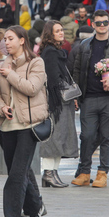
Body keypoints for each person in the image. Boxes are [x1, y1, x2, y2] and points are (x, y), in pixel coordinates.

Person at [0, 26, 46, 217]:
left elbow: (32, 88)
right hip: (7, 126)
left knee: (16, 174)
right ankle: (35, 209)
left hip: (28, 125)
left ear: (22, 40)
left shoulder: (36, 62)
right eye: (5, 39)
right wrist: (1, 108)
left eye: (10, 38)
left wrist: (11, 75)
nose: (6, 42)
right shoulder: (2, 65)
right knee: (19, 172)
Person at [71, 10, 109, 188]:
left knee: (106, 136)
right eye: (98, 23)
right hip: (88, 97)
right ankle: (84, 172)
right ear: (93, 24)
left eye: (105, 22)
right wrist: (76, 95)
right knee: (87, 136)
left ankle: (102, 173)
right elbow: (77, 71)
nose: (102, 26)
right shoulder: (84, 45)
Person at [39, 21, 79, 188]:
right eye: (57, 31)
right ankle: (48, 173)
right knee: (53, 138)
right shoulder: (50, 52)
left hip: (62, 101)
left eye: (62, 30)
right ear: (50, 34)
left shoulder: (59, 52)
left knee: (60, 137)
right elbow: (52, 79)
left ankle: (53, 173)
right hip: (56, 102)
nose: (61, 33)